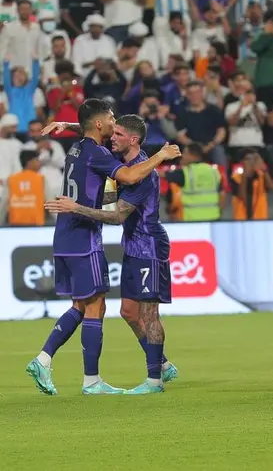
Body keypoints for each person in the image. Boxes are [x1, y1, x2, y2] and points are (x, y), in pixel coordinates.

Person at [25, 99, 181, 396]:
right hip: (84, 237)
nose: (113, 125)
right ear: (99, 124)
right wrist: (162, 154)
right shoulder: (102, 155)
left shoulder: (78, 147)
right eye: (111, 119)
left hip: (74, 236)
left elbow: (92, 135)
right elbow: (131, 179)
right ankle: (90, 380)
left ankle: (46, 360)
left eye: (119, 128)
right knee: (96, 306)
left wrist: (68, 126)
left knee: (91, 306)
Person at [165, 143, 224, 222]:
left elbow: (161, 174)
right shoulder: (214, 171)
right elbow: (222, 195)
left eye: (185, 153)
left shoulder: (185, 172)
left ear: (194, 155)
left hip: (193, 221)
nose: (182, 156)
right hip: (214, 219)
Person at [6, 149, 47, 226]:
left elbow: (4, 204)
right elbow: (50, 203)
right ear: (29, 162)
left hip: (15, 224)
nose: (39, 163)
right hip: (36, 224)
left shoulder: (11, 179)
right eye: (37, 160)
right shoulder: (41, 178)